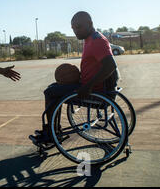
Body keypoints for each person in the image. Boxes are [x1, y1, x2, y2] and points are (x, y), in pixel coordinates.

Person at [29, 11, 119, 145]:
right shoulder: (90, 38)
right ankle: (54, 130)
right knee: (54, 88)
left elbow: (110, 65)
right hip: (90, 86)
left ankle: (52, 134)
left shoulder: (97, 41)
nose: (76, 31)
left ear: (90, 24)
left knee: (50, 92)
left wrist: (88, 86)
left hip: (94, 92)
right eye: (73, 28)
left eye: (79, 27)